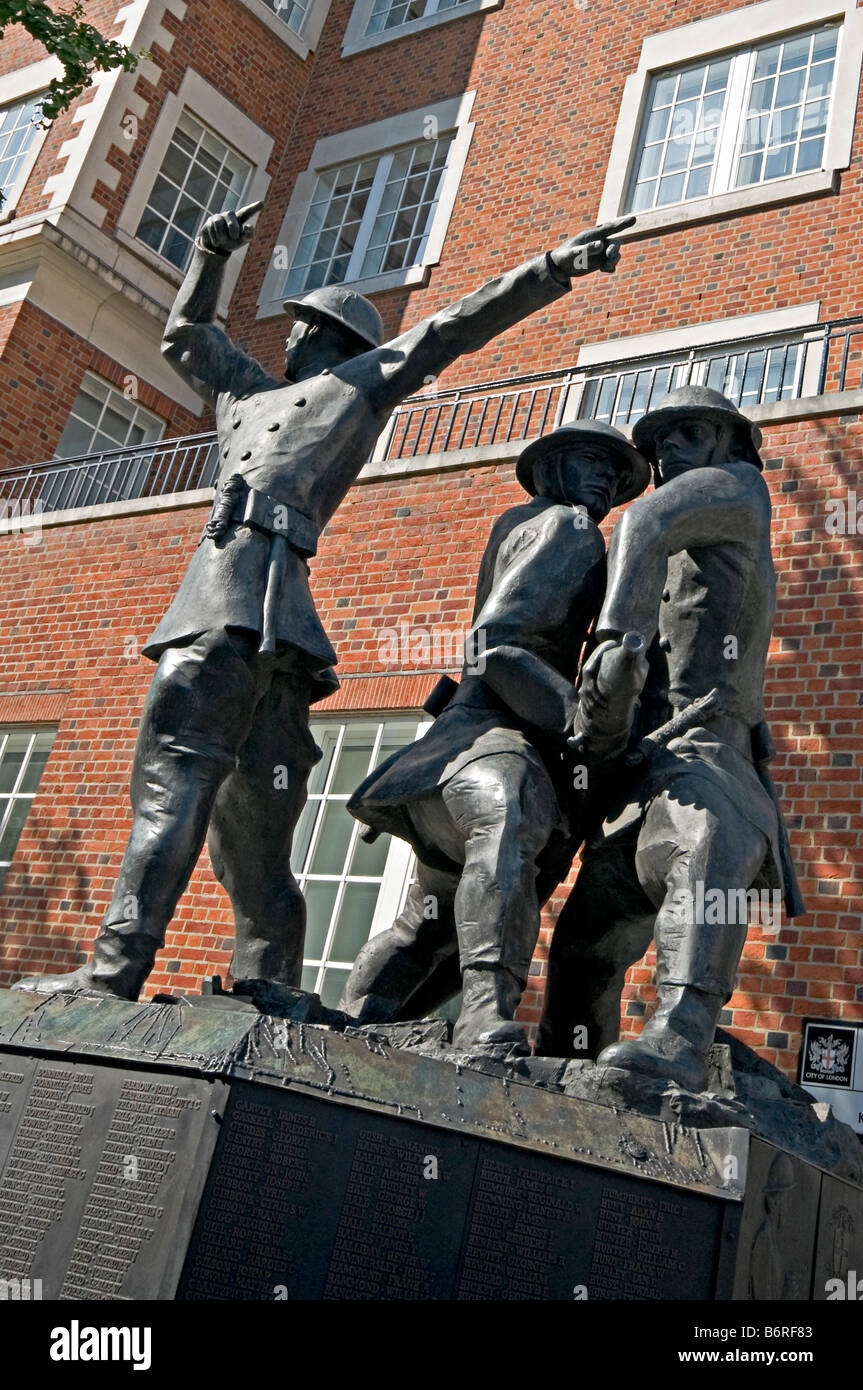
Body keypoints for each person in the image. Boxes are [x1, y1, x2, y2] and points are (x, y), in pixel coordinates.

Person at [15, 205, 635, 1002]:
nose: (289, 339)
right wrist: (208, 253)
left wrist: (552, 266)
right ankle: (269, 984)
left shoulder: (355, 387)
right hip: (243, 608)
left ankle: (112, 972)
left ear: (322, 338)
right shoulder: (243, 391)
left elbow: (449, 328)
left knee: (189, 796)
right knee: (252, 833)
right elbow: (184, 335)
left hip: (241, 611)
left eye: (301, 327)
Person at [342, 422, 649, 1051]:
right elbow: (494, 642)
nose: (606, 480)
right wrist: (578, 716)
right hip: (496, 737)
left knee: (427, 924)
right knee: (505, 822)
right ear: (554, 467)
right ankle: (485, 1010)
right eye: (594, 462)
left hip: (458, 748)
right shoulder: (569, 526)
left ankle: (354, 1018)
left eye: (617, 476)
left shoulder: (520, 521)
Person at [538, 385, 802, 1088]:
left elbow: (643, 522)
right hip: (644, 764)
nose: (666, 449)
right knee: (582, 948)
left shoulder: (740, 492)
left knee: (702, 847)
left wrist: (611, 648)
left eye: (688, 432)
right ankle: (564, 1079)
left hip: (708, 752)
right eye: (657, 442)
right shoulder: (678, 535)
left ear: (728, 442)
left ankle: (681, 1036)